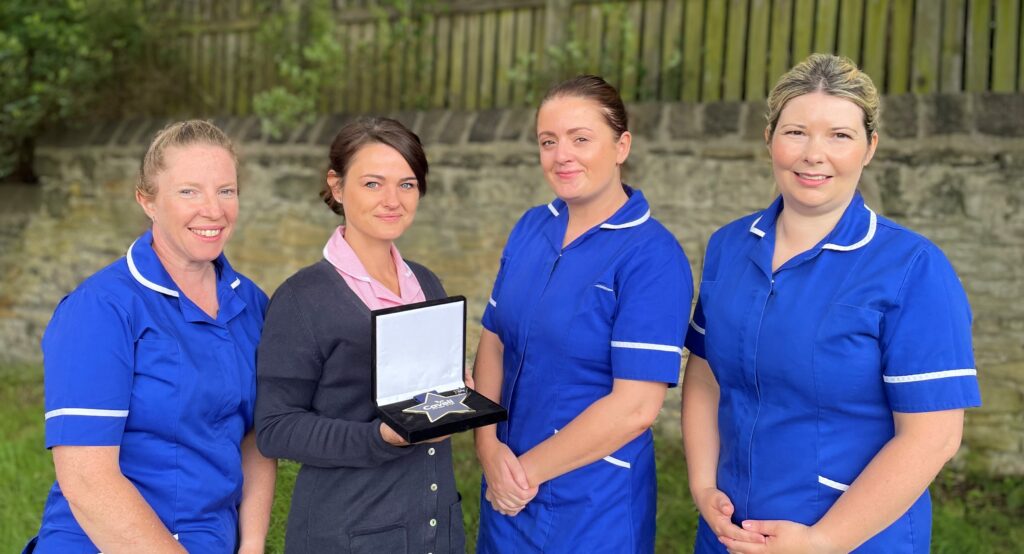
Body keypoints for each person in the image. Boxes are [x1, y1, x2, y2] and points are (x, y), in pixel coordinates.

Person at [681, 53, 982, 554]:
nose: (813, 154)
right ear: (769, 138)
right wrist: (702, 484)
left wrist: (822, 540)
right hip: (729, 533)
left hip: (853, 540)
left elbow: (933, 437)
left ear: (869, 148)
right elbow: (707, 374)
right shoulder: (728, 246)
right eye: (796, 132)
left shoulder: (914, 269)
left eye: (839, 135)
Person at [28, 120, 277, 553]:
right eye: (189, 191)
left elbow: (254, 436)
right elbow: (87, 481)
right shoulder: (100, 309)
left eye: (226, 190)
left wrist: (252, 543)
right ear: (148, 201)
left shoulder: (251, 303)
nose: (213, 210)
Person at [473, 75, 693, 553]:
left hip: (592, 506)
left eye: (580, 139)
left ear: (621, 146)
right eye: (548, 141)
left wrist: (522, 475)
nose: (561, 155)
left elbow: (635, 408)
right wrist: (487, 446)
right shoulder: (531, 227)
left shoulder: (653, 257)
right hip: (505, 490)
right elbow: (494, 339)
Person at [254, 117, 465, 553]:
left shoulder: (427, 284)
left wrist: (455, 395)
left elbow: (430, 399)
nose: (393, 200)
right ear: (336, 186)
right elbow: (275, 428)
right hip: (349, 534)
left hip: (434, 528)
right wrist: (379, 437)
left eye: (407, 184)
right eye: (373, 184)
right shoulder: (302, 299)